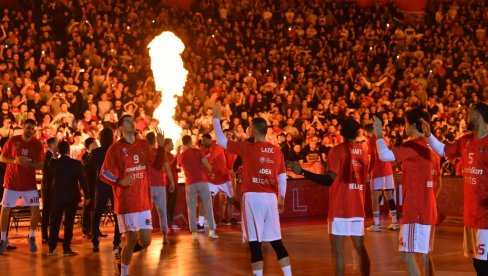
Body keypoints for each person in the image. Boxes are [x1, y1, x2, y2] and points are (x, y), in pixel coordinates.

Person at [212, 105, 291, 276]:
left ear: (253, 131)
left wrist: (216, 118)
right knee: (277, 241)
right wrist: (281, 199)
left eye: (249, 127)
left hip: (253, 198)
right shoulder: (276, 151)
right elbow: (282, 177)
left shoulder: (247, 148)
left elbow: (220, 140)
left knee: (254, 243)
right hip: (270, 198)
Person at [288, 118, 370, 276]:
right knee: (360, 248)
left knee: (338, 251)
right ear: (357, 132)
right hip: (357, 206)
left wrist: (302, 172)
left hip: (340, 206)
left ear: (341, 131)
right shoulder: (363, 152)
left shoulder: (337, 150)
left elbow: (328, 179)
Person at [421, 103, 488, 275]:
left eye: (470, 114)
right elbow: (443, 150)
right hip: (471, 215)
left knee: (483, 265)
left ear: (478, 117)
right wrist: (428, 135)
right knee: (477, 262)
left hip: (485, 217)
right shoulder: (465, 141)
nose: (467, 117)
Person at [372, 108, 437, 276]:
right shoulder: (431, 146)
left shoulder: (413, 145)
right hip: (428, 208)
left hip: (415, 209)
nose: (404, 127)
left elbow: (385, 156)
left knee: (406, 255)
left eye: (406, 123)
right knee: (424, 256)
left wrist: (379, 134)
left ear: (414, 125)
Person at [100, 115, 166, 276]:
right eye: (128, 121)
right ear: (121, 129)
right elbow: (103, 173)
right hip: (127, 202)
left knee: (146, 241)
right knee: (131, 239)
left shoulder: (143, 144)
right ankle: (124, 272)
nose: (132, 122)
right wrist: (119, 181)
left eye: (132, 120)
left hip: (143, 200)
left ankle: (121, 253)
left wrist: (162, 146)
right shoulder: (115, 148)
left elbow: (157, 166)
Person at [0, 119, 44, 254]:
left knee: (36, 211)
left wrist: (27, 163)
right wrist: (15, 161)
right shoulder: (13, 140)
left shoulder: (37, 144)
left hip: (29, 184)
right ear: (23, 127)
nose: (30, 130)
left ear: (34, 130)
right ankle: (3, 239)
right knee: (5, 210)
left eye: (32, 128)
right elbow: (2, 158)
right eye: (28, 127)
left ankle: (31, 237)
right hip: (12, 182)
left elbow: (41, 165)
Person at [47, 141, 90, 256]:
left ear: (59, 151)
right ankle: (66, 249)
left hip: (57, 195)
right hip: (71, 196)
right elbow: (83, 180)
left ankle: (51, 249)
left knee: (55, 222)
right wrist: (87, 195)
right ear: (68, 150)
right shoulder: (76, 163)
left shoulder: (53, 163)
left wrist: (54, 156)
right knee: (69, 223)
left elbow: (48, 175)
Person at [177, 135, 219, 240]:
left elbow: (179, 166)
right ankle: (211, 231)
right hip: (202, 181)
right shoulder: (198, 151)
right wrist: (211, 173)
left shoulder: (181, 155)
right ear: (191, 141)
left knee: (191, 209)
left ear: (183, 143)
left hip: (190, 183)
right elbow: (206, 165)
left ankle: (194, 234)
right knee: (208, 206)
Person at [88, 128, 121, 253]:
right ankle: (117, 241)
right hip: (114, 184)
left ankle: (95, 240)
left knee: (97, 213)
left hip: (101, 185)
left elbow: (89, 168)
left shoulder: (96, 152)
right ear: (112, 138)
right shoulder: (116, 151)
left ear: (101, 139)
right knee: (117, 213)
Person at [364, 123, 399, 231]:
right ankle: (394, 222)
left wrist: (369, 172)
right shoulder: (382, 138)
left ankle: (376, 224)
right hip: (387, 169)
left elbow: (372, 158)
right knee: (389, 195)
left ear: (367, 131)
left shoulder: (370, 140)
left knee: (374, 197)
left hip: (378, 170)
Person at [201, 133, 240, 225]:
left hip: (224, 179)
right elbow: (202, 159)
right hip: (212, 180)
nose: (202, 142)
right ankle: (203, 222)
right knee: (207, 199)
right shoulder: (204, 150)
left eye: (204, 140)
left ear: (208, 139)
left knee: (231, 200)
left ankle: (245, 215)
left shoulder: (217, 147)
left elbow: (209, 158)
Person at [146, 132, 175, 244]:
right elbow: (167, 168)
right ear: (155, 141)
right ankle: (165, 236)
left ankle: (146, 235)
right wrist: (171, 182)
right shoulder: (160, 152)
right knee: (162, 211)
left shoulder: (145, 152)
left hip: (148, 185)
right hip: (160, 185)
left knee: (147, 211)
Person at [41, 137, 58, 244]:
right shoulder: (47, 155)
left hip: (53, 187)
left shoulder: (52, 155)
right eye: (57, 143)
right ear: (52, 145)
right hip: (48, 187)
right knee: (47, 212)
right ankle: (44, 236)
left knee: (54, 212)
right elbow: (48, 170)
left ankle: (53, 235)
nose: (58, 145)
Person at [81, 137, 98, 238]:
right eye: (95, 143)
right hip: (88, 185)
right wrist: (92, 152)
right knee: (88, 207)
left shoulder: (96, 154)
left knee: (95, 208)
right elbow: (88, 168)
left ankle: (95, 229)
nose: (97, 144)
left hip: (96, 185)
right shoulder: (85, 156)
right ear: (90, 145)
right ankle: (86, 229)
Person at [163, 138, 180, 231]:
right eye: (171, 143)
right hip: (168, 182)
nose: (173, 145)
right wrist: (177, 154)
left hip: (174, 181)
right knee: (169, 204)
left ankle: (171, 223)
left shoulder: (170, 155)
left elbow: (172, 166)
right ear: (167, 145)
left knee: (172, 204)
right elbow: (168, 166)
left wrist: (176, 170)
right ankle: (168, 224)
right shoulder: (165, 155)